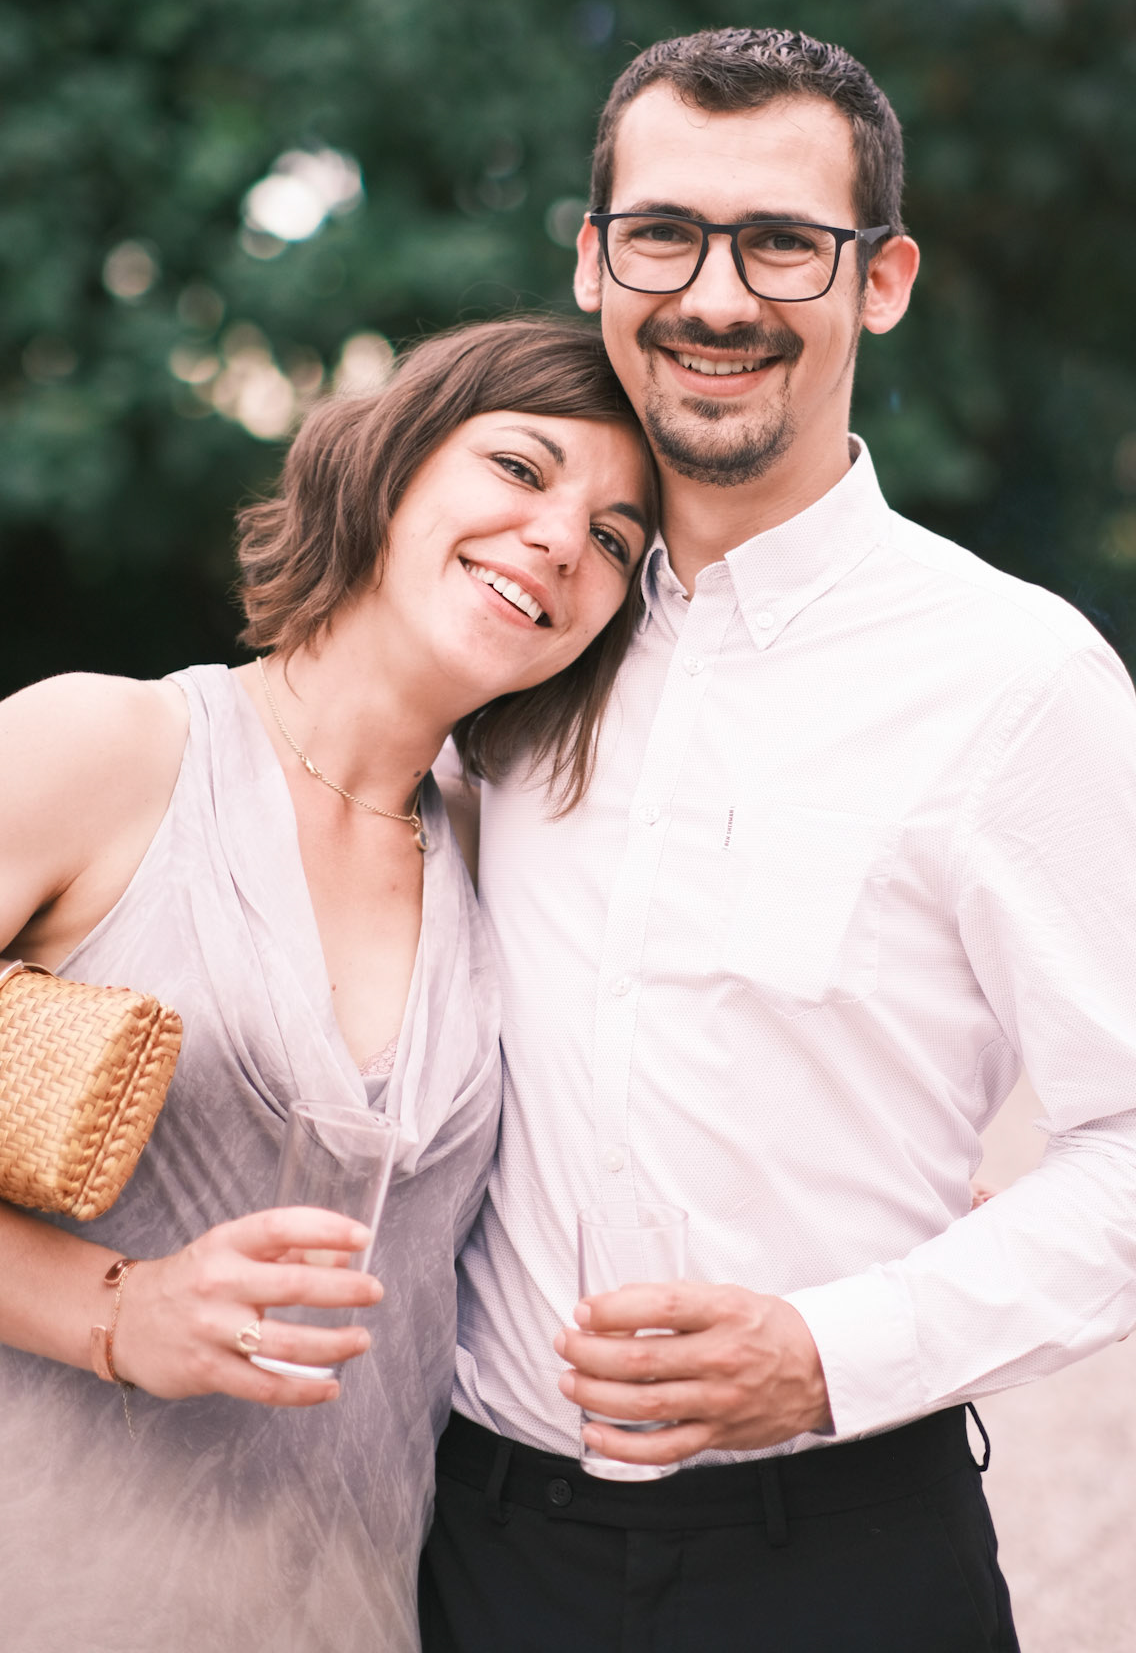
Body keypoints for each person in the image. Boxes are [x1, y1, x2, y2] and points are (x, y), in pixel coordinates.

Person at [419, 30, 1136, 1652]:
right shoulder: (513, 625)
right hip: (472, 1554)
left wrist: (827, 1352)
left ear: (880, 281)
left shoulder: (1010, 677)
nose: (714, 297)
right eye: (664, 235)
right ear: (592, 262)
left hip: (837, 1559)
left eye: (781, 244)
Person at [0, 316, 656, 1653]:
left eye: (612, 538)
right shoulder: (106, 746)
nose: (557, 540)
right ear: (392, 464)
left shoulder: (508, 859)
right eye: (520, 469)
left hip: (352, 1612)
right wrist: (118, 1312)